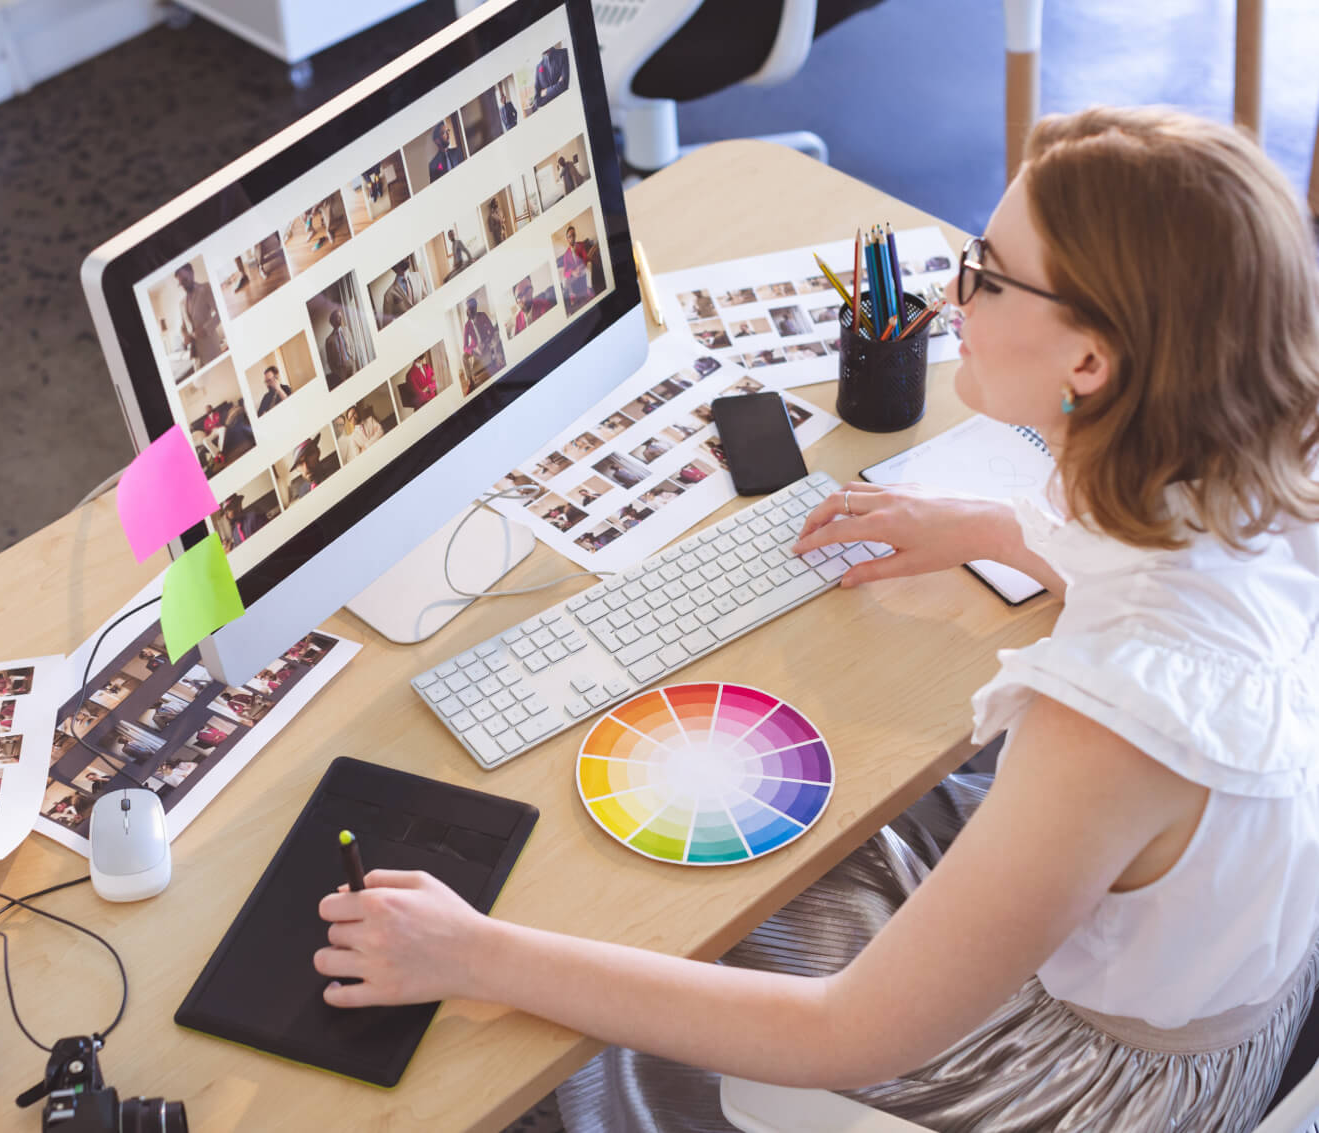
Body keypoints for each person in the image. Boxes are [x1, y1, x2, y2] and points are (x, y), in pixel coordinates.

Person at [311, 107, 1319, 1132]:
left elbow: (840, 1033)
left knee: (587, 990)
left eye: (985, 271)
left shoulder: (1108, 727)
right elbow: (1169, 580)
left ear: (1090, 364)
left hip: (1079, 1079)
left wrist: (472, 950)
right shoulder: (1264, 479)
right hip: (1227, 976)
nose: (950, 294)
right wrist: (989, 526)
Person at [174, 262, 226, 364]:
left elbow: (220, 311)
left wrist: (205, 329)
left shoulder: (206, 288)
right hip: (195, 353)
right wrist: (184, 335)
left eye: (185, 280)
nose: (183, 285)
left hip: (211, 347)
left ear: (192, 273)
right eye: (181, 283)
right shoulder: (181, 303)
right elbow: (183, 327)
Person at [461, 296, 505, 381]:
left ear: (476, 307)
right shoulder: (467, 326)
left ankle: (498, 363)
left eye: (472, 307)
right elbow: (465, 347)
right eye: (468, 308)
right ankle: (470, 380)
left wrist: (486, 342)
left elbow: (491, 330)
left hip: (486, 342)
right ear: (467, 310)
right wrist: (474, 349)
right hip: (475, 348)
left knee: (497, 339)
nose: (471, 310)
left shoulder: (483, 315)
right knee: (464, 357)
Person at [322, 307, 357, 389]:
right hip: (340, 370)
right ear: (332, 321)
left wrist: (353, 359)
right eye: (338, 317)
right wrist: (335, 371)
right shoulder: (329, 340)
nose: (341, 319)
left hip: (351, 363)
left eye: (341, 316)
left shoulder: (346, 330)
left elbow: (352, 345)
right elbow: (329, 360)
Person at [382, 259, 420, 325]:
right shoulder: (389, 294)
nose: (406, 258)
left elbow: (426, 298)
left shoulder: (418, 277)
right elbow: (387, 324)